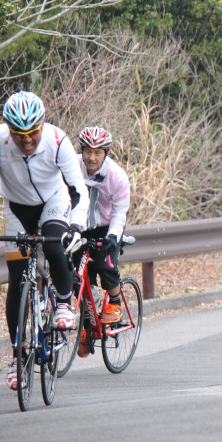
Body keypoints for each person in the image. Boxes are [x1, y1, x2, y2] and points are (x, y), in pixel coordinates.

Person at [0, 90, 88, 390]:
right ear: (8, 129)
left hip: (54, 200)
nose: (26, 140)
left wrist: (76, 226)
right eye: (19, 133)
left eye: (32, 132)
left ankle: (63, 301)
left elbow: (78, 190)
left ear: (43, 125)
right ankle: (18, 357)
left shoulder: (58, 140)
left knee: (53, 242)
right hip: (16, 207)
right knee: (18, 279)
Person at [73, 126, 131, 357]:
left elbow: (120, 212)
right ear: (82, 151)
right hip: (80, 225)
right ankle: (89, 324)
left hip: (108, 226)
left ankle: (115, 301)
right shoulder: (73, 167)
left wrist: (112, 238)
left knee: (105, 263)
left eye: (98, 152)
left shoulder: (117, 177)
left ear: (106, 153)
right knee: (78, 276)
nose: (92, 157)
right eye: (88, 151)